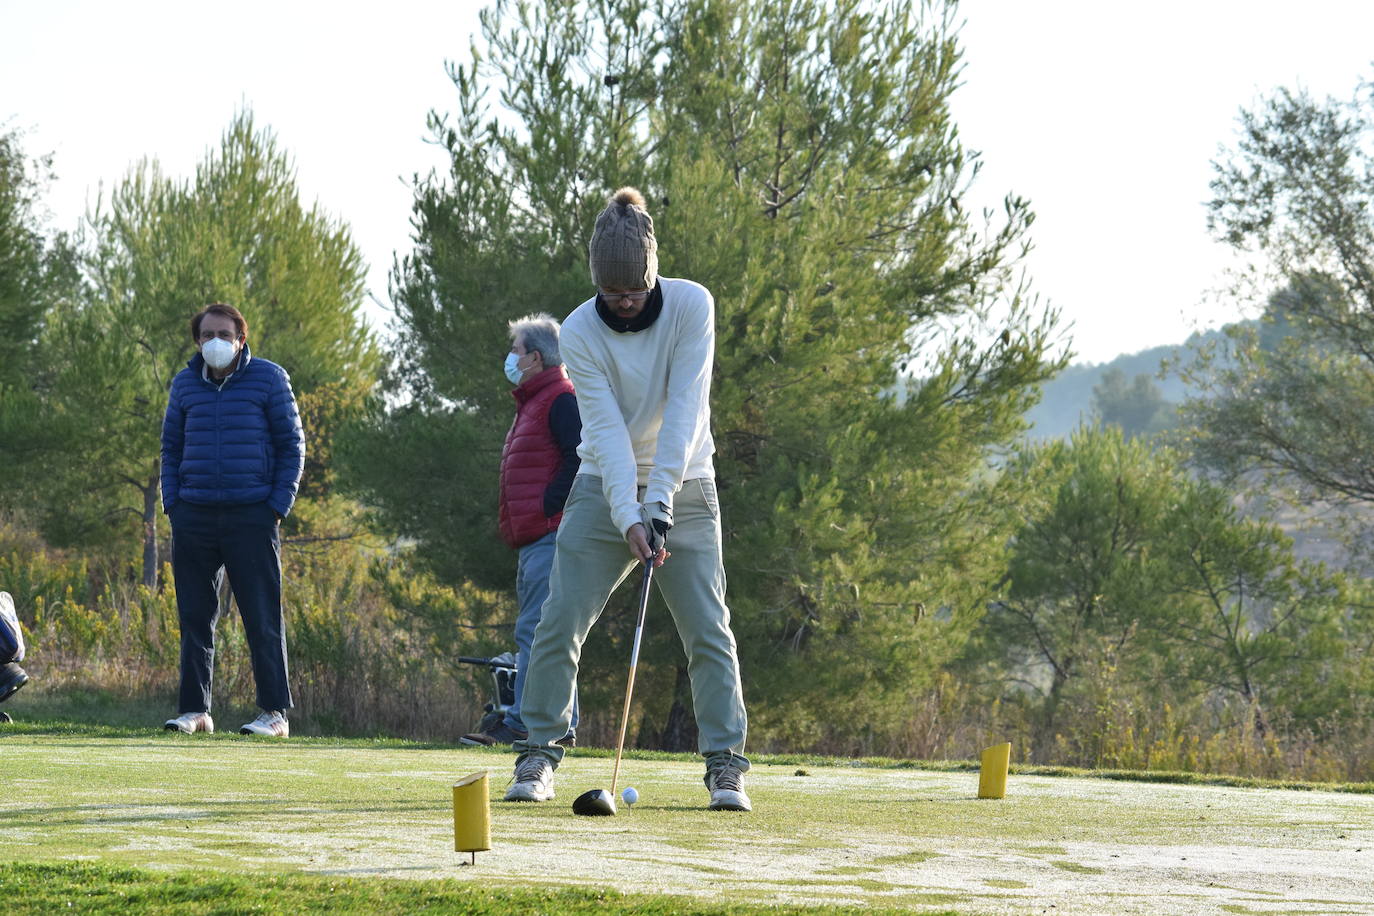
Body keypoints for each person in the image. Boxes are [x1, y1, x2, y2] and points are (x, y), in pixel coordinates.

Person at [505, 187, 751, 811]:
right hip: (602, 483)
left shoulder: (693, 306)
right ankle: (539, 751)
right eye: (613, 292)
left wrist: (660, 504)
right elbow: (605, 433)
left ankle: (726, 764)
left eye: (635, 290)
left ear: (651, 273)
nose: (625, 302)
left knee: (707, 628)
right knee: (559, 620)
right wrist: (629, 513)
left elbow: (687, 411)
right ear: (597, 284)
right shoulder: (581, 330)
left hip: (687, 480)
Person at [160, 303, 304, 737]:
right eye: (207, 335)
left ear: (241, 338)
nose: (215, 342)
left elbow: (292, 446)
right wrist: (175, 505)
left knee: (261, 617)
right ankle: (195, 711)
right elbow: (170, 448)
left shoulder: (270, 378)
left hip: (253, 515)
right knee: (194, 616)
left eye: (224, 334)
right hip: (194, 516)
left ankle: (274, 713)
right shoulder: (184, 384)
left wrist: (275, 506)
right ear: (197, 341)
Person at [461, 313, 582, 747]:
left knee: (537, 629)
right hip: (534, 535)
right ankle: (559, 724)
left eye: (515, 350)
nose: (510, 358)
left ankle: (528, 722)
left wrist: (550, 505)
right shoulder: (535, 399)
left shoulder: (560, 398)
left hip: (550, 533)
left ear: (533, 357)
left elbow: (579, 458)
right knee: (549, 630)